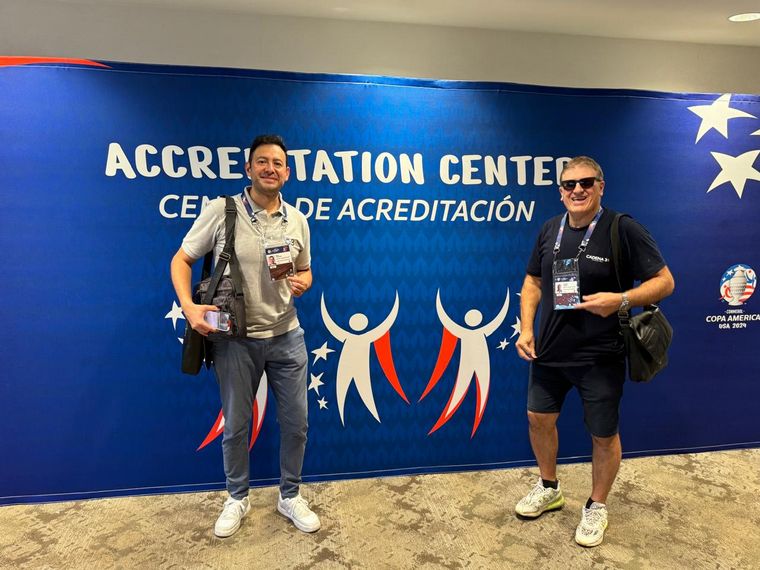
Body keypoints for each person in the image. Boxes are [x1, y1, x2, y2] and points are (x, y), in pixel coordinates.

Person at [514, 156, 674, 547]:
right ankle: (549, 487)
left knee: (603, 435)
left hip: (600, 356)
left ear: (601, 186)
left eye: (586, 183)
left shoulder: (623, 228)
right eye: (569, 185)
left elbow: (665, 282)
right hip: (550, 352)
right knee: (538, 418)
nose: (577, 190)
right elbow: (533, 281)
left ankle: (597, 505)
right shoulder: (550, 230)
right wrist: (527, 328)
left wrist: (621, 299)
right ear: (560, 191)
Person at [170, 134, 320, 538]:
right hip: (235, 340)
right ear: (248, 168)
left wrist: (303, 280)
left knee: (297, 424)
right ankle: (237, 496)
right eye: (262, 162)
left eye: (278, 163)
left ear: (287, 173)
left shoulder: (297, 220)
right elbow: (182, 259)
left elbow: (305, 270)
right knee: (236, 425)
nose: (270, 168)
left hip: (288, 336)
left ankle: (290, 495)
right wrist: (189, 306)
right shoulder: (222, 211)